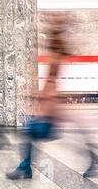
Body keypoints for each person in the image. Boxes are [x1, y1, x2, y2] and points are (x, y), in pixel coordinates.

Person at [6, 13, 67, 180]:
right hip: (49, 112)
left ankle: (25, 168)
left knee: (28, 134)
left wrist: (38, 96)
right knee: (28, 134)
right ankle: (25, 168)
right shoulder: (55, 57)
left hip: (49, 114)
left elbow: (51, 85)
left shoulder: (55, 59)